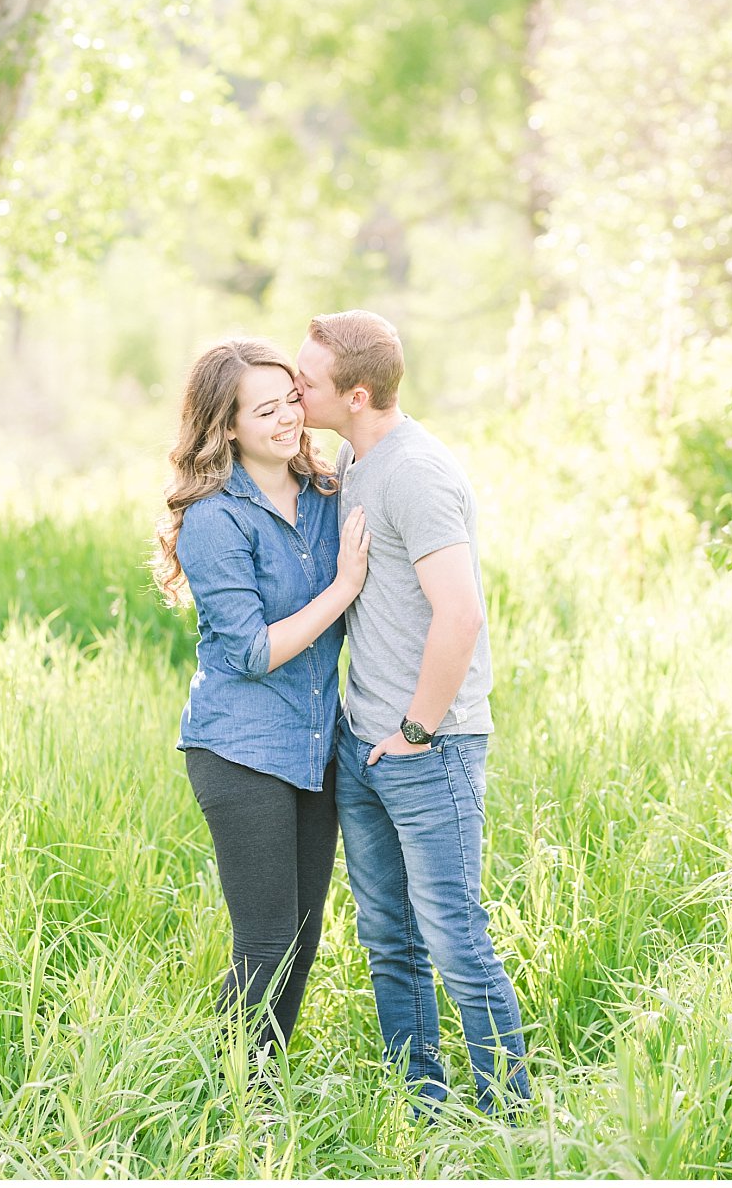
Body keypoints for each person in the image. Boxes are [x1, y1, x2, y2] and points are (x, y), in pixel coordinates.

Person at [293, 309, 533, 1114]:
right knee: (388, 941)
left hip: (430, 747)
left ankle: (510, 1118)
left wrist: (416, 731)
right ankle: (423, 1107)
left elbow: (459, 615)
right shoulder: (352, 457)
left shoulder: (416, 473)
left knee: (457, 943)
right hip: (367, 745)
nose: (296, 388)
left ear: (357, 394)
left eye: (309, 380)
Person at [154, 338, 370, 1063]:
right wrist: (340, 589)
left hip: (315, 745)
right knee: (267, 939)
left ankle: (258, 1081)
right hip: (239, 749)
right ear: (228, 426)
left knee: (303, 939)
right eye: (265, 409)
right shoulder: (218, 517)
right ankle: (234, 1094)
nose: (287, 419)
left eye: (292, 400)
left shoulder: (326, 492)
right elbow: (249, 650)